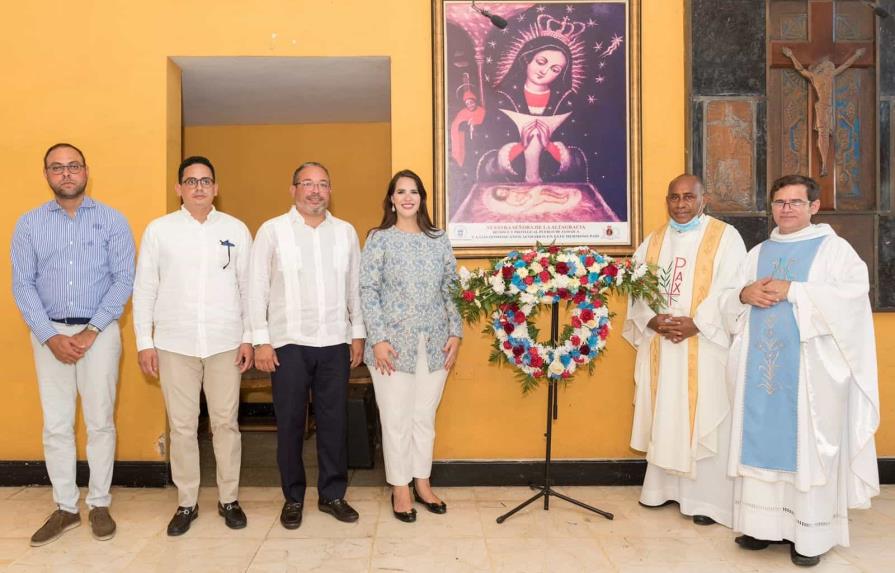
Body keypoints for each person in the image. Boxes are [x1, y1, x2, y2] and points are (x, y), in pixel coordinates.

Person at [720, 174, 879, 567]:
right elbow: (725, 297)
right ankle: (761, 526)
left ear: (814, 206)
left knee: (808, 449)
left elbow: (853, 297)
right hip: (761, 374)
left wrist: (797, 291)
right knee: (757, 440)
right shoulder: (758, 252)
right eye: (779, 202)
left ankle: (809, 534)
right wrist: (744, 294)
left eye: (794, 202)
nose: (785, 209)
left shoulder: (834, 251)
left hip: (812, 377)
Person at [11, 143, 135, 546]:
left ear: (86, 171)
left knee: (100, 420)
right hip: (48, 335)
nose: (66, 173)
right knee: (57, 424)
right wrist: (49, 335)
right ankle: (65, 507)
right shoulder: (28, 224)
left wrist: (90, 330)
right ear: (46, 174)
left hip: (99, 335)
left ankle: (99, 503)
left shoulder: (112, 221)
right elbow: (22, 283)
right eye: (57, 168)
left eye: (74, 166)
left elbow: (123, 280)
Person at [132, 156, 253, 536]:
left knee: (225, 424)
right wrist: (144, 342)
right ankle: (186, 502)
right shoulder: (159, 231)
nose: (199, 187)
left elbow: (249, 289)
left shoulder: (235, 229)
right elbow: (144, 288)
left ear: (216, 188)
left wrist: (249, 337)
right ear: (179, 189)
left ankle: (229, 498)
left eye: (205, 181)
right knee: (182, 426)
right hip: (174, 343)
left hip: (224, 343)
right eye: (191, 181)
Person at [623, 174, 746, 527]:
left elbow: (731, 288)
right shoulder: (653, 242)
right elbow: (637, 291)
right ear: (667, 200)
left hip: (705, 343)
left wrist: (697, 323)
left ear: (702, 200)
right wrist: (651, 320)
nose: (681, 204)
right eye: (674, 197)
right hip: (663, 344)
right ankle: (661, 490)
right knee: (666, 412)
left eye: (688, 197)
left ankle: (707, 500)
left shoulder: (724, 238)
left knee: (704, 412)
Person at [249, 162, 365, 529]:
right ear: (293, 189)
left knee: (334, 422)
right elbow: (256, 290)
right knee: (291, 424)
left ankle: (332, 494)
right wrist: (261, 341)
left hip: (333, 341)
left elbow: (354, 287)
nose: (316, 191)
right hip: (288, 344)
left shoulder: (345, 232)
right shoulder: (272, 231)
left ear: (330, 190)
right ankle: (293, 498)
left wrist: (357, 333)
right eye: (308, 184)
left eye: (323, 184)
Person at [360, 169, 462, 523]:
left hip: (435, 345)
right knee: (395, 419)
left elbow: (451, 286)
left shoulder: (439, 240)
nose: (407, 197)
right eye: (400, 191)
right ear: (391, 198)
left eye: (413, 191)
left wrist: (456, 333)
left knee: (424, 417)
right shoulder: (379, 239)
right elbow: (368, 291)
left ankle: (422, 482)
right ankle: (400, 487)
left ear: (422, 198)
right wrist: (379, 340)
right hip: (391, 347)